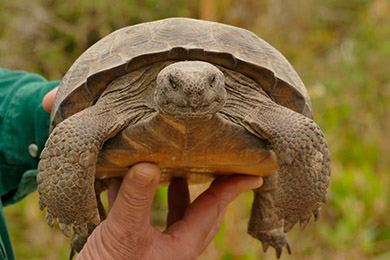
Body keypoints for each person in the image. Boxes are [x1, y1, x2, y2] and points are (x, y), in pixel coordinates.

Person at [0, 68, 263, 260]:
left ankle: (272, 215)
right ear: (160, 84)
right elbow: (70, 138)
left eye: (210, 82)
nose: (193, 93)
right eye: (174, 83)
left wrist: (41, 109)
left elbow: (298, 132)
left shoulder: (246, 98)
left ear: (221, 82)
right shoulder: (125, 97)